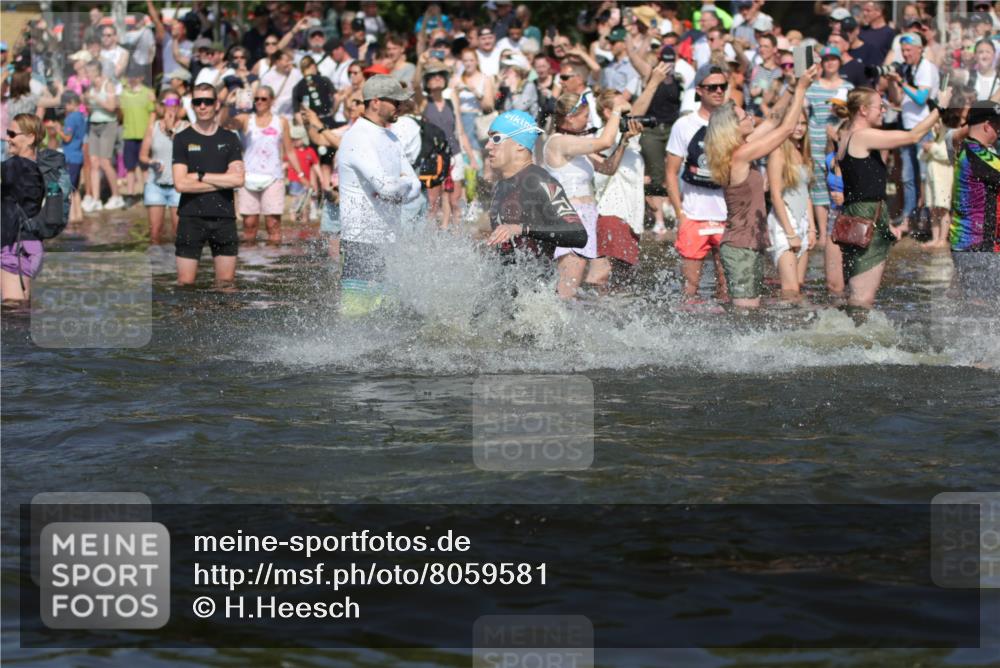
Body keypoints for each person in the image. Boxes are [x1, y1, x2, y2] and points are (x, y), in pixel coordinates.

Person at [705, 65, 817, 309]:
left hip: (749, 245)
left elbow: (775, 119)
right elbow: (786, 128)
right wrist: (800, 90)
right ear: (733, 127)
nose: (750, 117)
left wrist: (790, 87)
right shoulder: (740, 155)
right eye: (745, 116)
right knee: (746, 314)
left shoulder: (741, 148)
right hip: (740, 247)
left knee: (750, 314)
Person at [835, 85, 950, 309]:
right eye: (880, 106)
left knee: (857, 290)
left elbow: (863, 186)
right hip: (866, 218)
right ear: (863, 110)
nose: (884, 110)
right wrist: (940, 107)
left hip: (856, 216)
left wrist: (886, 223)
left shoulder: (845, 135)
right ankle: (857, 340)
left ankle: (854, 333)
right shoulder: (862, 136)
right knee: (863, 298)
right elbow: (914, 135)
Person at [336, 75, 422, 316]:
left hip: (390, 240)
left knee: (389, 315)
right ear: (375, 102)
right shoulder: (357, 137)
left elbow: (416, 187)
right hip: (361, 241)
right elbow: (387, 187)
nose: (400, 107)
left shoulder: (392, 137)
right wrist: (398, 186)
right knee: (355, 316)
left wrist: (398, 187)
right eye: (395, 102)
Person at [542, 92, 629, 299]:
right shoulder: (558, 142)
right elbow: (605, 142)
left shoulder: (576, 143)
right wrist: (616, 108)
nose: (588, 120)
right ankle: (554, 324)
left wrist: (624, 140)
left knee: (595, 277)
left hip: (588, 216)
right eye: (585, 116)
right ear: (570, 117)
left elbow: (608, 168)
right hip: (570, 217)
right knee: (568, 288)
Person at [484, 110, 587, 264]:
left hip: (537, 286)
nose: (488, 146)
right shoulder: (501, 186)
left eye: (496, 138)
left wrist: (522, 229)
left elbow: (578, 234)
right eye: (489, 139)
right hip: (508, 284)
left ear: (519, 144)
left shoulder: (538, 180)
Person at [665, 65, 731, 303]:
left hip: (727, 216)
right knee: (690, 290)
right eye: (712, 87)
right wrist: (679, 213)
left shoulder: (734, 122)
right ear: (699, 90)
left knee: (727, 290)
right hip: (693, 214)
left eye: (722, 86)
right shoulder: (684, 125)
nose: (718, 91)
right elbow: (670, 172)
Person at [171, 83, 245, 287]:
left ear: (217, 104)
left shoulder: (230, 138)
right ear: (192, 105)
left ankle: (223, 320)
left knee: (226, 283)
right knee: (185, 283)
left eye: (208, 101)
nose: (202, 106)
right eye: (197, 102)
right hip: (190, 217)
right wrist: (222, 181)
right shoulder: (182, 138)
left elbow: (238, 180)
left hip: (224, 217)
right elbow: (180, 184)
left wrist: (201, 176)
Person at [224, 85, 305, 245]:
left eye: (263, 98)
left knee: (273, 224)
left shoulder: (281, 122)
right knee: (249, 224)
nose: (259, 102)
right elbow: (227, 125)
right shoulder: (246, 119)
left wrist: (301, 175)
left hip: (273, 176)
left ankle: (271, 263)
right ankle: (250, 264)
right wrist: (229, 105)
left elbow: (289, 151)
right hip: (248, 177)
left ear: (271, 100)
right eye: (256, 99)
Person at [949, 100, 1000, 300]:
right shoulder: (975, 153)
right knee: (983, 308)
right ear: (987, 126)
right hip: (975, 247)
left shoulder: (971, 150)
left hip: (976, 246)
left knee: (983, 306)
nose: (999, 132)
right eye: (998, 126)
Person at [806, 45, 853, 249]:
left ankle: (838, 229)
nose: (830, 63)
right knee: (818, 187)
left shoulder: (848, 86)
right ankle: (823, 232)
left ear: (839, 61)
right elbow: (807, 113)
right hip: (816, 141)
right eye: (826, 60)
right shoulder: (813, 86)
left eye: (833, 59)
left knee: (839, 183)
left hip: (840, 142)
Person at [889, 33, 939, 223]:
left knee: (925, 175)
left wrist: (901, 82)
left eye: (909, 50)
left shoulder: (926, 67)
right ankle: (909, 216)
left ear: (920, 49)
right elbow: (900, 99)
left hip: (924, 128)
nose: (905, 54)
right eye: (902, 50)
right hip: (907, 127)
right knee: (907, 175)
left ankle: (926, 216)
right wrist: (894, 81)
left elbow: (920, 99)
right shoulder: (908, 68)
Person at [766, 107, 814, 302]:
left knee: (799, 286)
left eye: (803, 124)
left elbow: (806, 194)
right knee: (790, 289)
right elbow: (775, 195)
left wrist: (811, 229)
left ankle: (799, 328)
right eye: (796, 123)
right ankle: (783, 327)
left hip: (802, 220)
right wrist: (790, 233)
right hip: (784, 220)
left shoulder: (802, 152)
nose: (799, 128)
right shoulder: (778, 153)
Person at [1, 113, 46, 301]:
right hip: (30, 245)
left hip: (14, 247)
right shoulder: (40, 167)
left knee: (14, 312)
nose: (7, 138)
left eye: (12, 134)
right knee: (22, 309)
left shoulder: (14, 166)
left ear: (30, 137)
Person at [140, 91, 188, 245]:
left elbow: (187, 151)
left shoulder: (186, 127)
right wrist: (152, 162)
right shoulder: (153, 127)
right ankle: (157, 265)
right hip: (155, 184)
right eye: (168, 103)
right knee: (155, 233)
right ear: (162, 106)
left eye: (176, 103)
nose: (172, 107)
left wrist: (170, 130)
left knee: (178, 232)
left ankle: (177, 266)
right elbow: (142, 155)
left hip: (178, 186)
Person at [82, 61, 125, 213]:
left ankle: (116, 196)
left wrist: (96, 98)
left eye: (90, 71)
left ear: (97, 71)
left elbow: (112, 107)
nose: (87, 75)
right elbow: (89, 110)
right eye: (86, 72)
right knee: (93, 162)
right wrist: (86, 100)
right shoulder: (90, 88)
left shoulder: (108, 85)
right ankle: (96, 199)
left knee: (105, 162)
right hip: (93, 124)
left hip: (108, 124)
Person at [119, 64, 156, 200]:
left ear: (141, 77)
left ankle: (148, 193)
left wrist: (150, 132)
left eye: (134, 76)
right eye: (130, 76)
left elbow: (153, 113)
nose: (132, 79)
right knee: (129, 167)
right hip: (129, 134)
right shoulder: (124, 93)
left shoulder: (148, 93)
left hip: (144, 136)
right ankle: (130, 194)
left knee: (145, 167)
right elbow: (121, 112)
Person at [452, 48, 495, 155]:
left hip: (478, 120)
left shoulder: (485, 79)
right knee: (462, 153)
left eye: (471, 60)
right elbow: (450, 101)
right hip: (459, 119)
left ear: (477, 61)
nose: (468, 64)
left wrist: (475, 92)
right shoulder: (456, 79)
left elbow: (489, 107)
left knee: (478, 154)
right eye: (465, 61)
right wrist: (456, 93)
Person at [57, 91, 86, 224]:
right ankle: (78, 215)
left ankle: (71, 217)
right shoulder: (81, 116)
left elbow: (67, 138)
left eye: (66, 104)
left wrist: (58, 130)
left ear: (72, 103)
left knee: (68, 190)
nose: (64, 107)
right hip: (78, 156)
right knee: (75, 189)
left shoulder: (71, 118)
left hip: (71, 157)